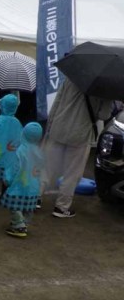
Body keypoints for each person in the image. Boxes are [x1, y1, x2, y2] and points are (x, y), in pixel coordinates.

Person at [41, 76, 113, 218]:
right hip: (80, 135)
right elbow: (104, 115)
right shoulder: (104, 87)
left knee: (48, 167)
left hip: (58, 128)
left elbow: (57, 103)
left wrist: (49, 127)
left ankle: (34, 198)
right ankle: (61, 207)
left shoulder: (71, 78)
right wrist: (107, 101)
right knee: (72, 173)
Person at [1, 122, 44, 238]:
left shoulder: (20, 151)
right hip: (33, 188)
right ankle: (24, 223)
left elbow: (14, 167)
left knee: (15, 206)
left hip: (19, 185)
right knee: (28, 208)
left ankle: (19, 225)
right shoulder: (39, 152)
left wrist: (7, 179)